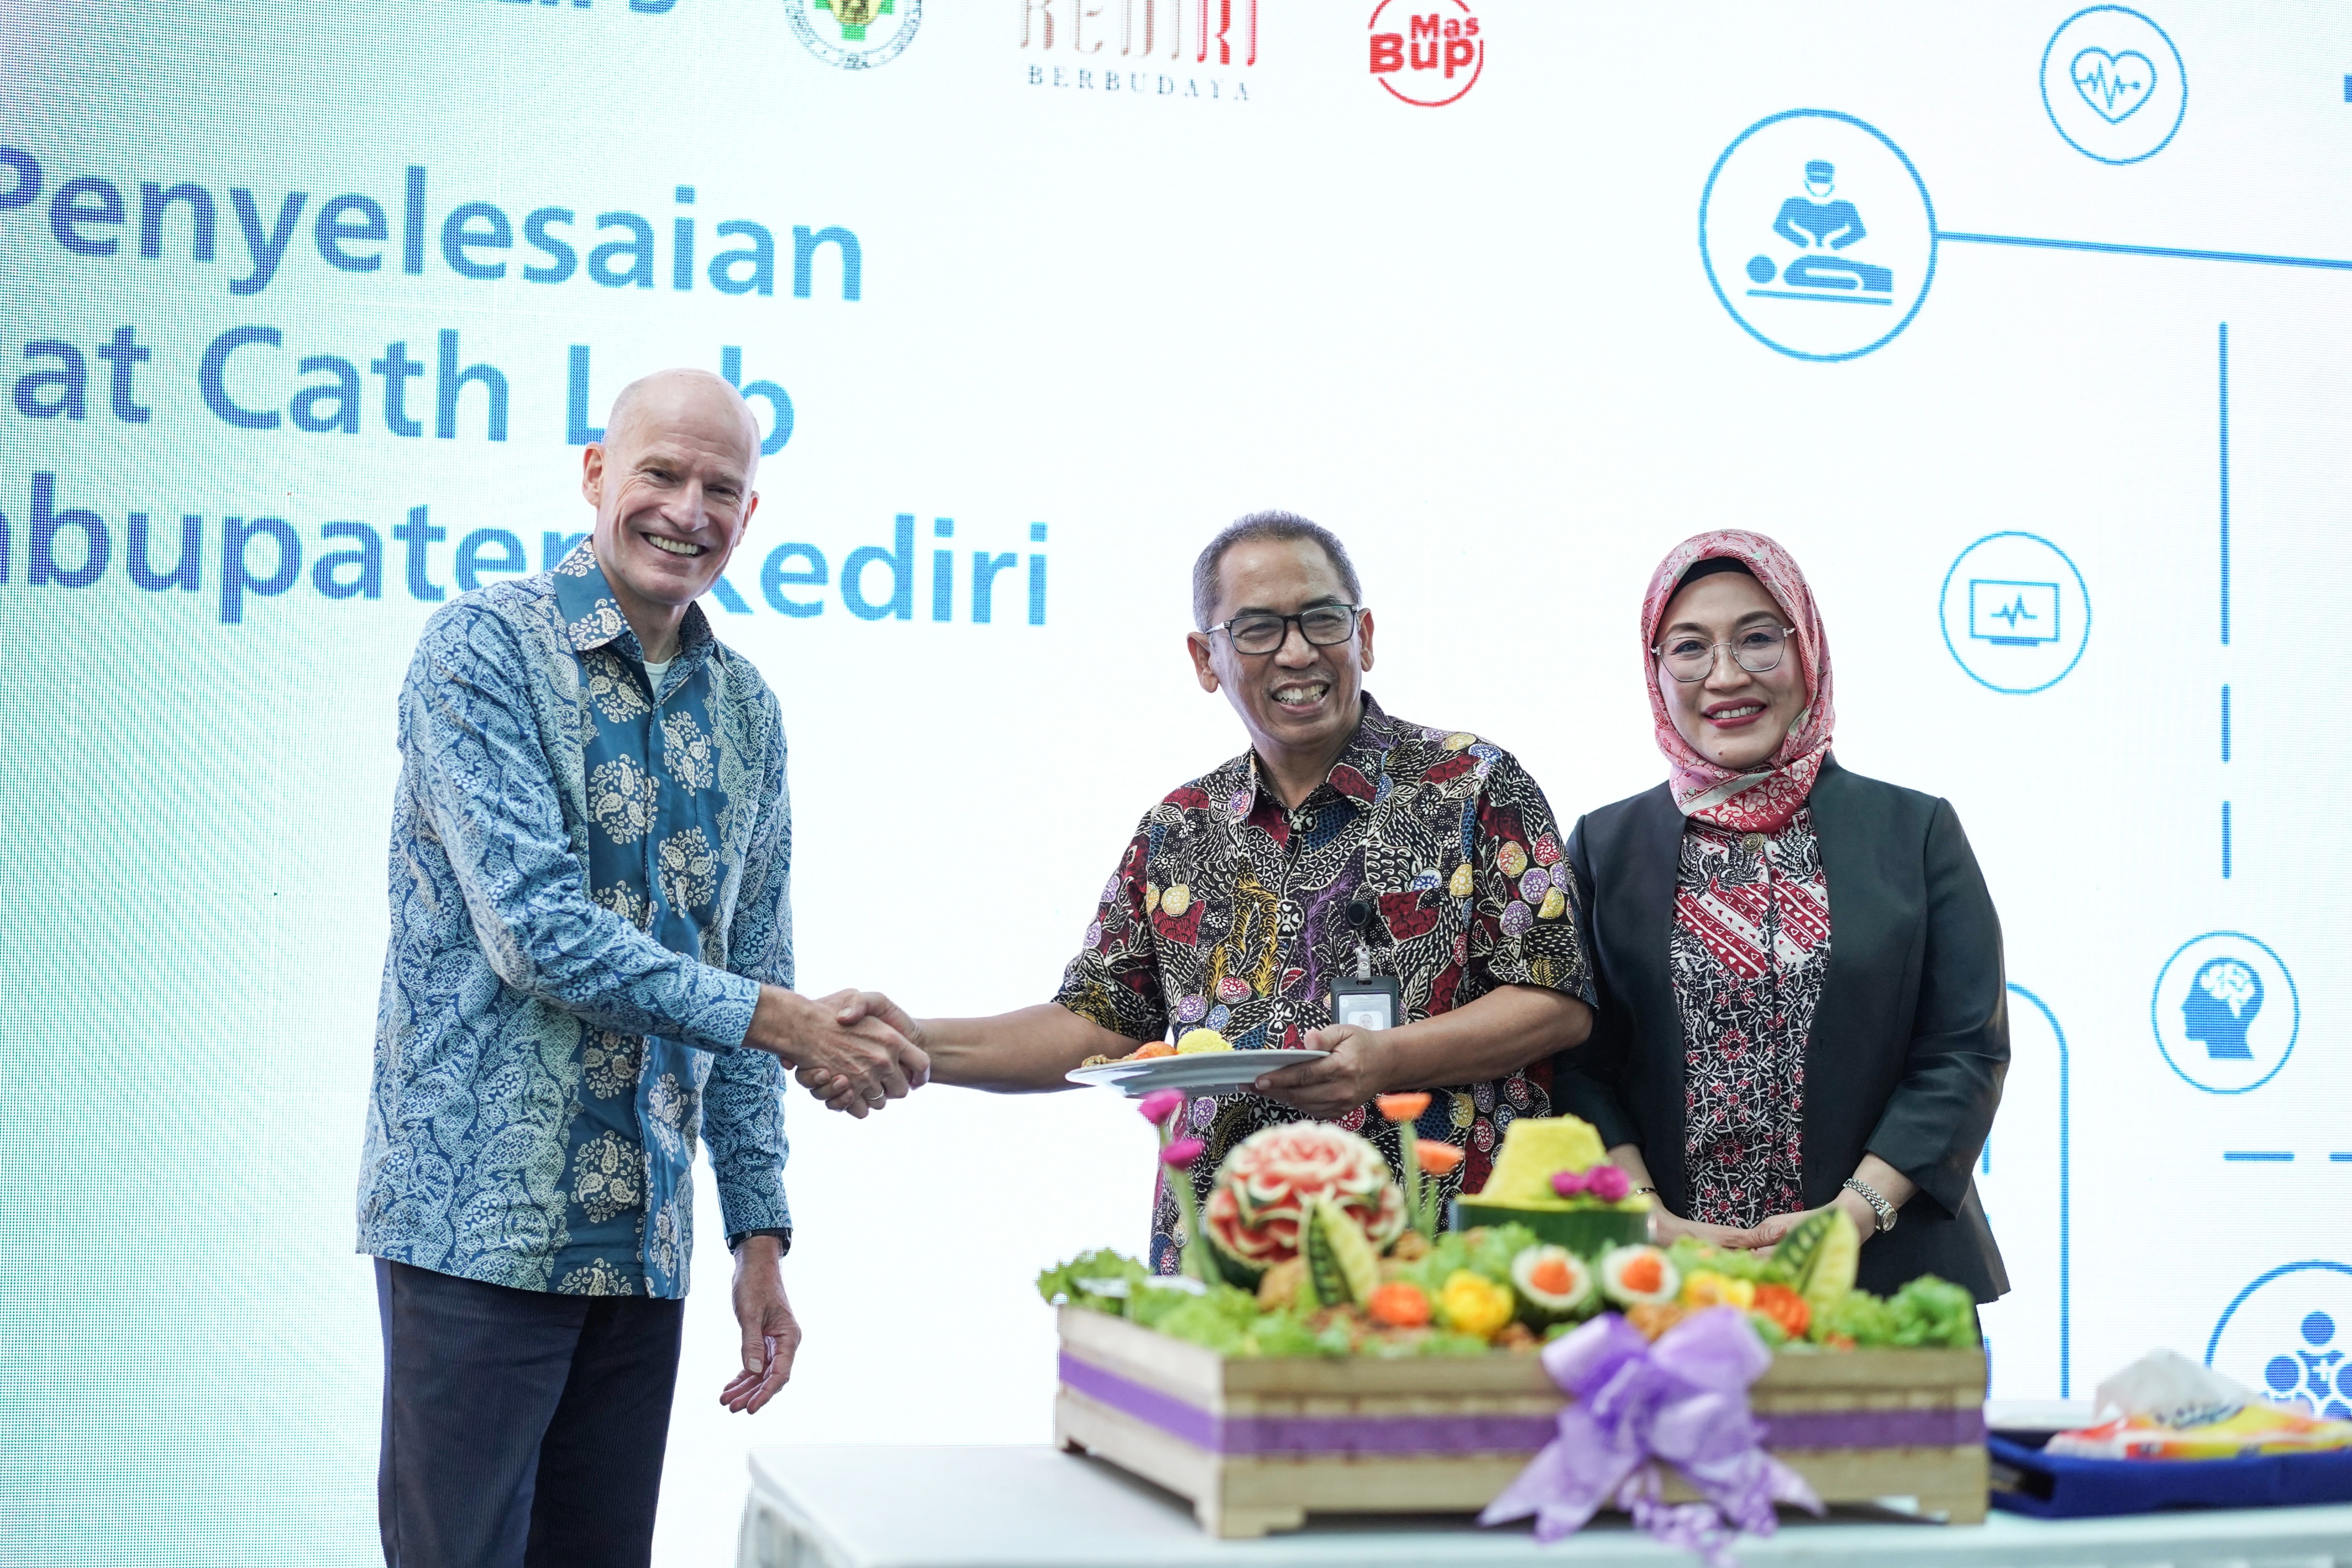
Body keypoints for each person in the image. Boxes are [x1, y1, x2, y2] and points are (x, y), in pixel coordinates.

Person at [355, 368, 927, 1568]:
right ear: (595, 476)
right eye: (662, 473)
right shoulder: (482, 648)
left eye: (723, 487)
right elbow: (538, 934)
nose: (689, 509)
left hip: (641, 1246)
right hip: (478, 1233)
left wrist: (757, 1238)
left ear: (751, 515)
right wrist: (778, 1019)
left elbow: (756, 966)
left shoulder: (749, 712)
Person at [801, 511, 1594, 1272]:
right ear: (1205, 658)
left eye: (1322, 618)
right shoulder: (1178, 829)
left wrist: (1389, 1059)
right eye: (1257, 628)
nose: (1296, 652)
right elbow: (1098, 1024)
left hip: (1441, 1258)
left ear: (1366, 635)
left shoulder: (1474, 783)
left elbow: (1557, 999)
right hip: (1226, 1259)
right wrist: (913, 1042)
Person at [1558, 531, 2007, 1300]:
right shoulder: (1605, 845)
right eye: (1689, 648)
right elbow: (1575, 1062)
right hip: (1659, 1280)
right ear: (1655, 669)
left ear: (1809, 652)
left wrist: (1852, 1215)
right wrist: (1645, 1216)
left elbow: (1962, 1051)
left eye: (1760, 639)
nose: (1725, 675)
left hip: (1882, 1275)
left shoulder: (1915, 830)